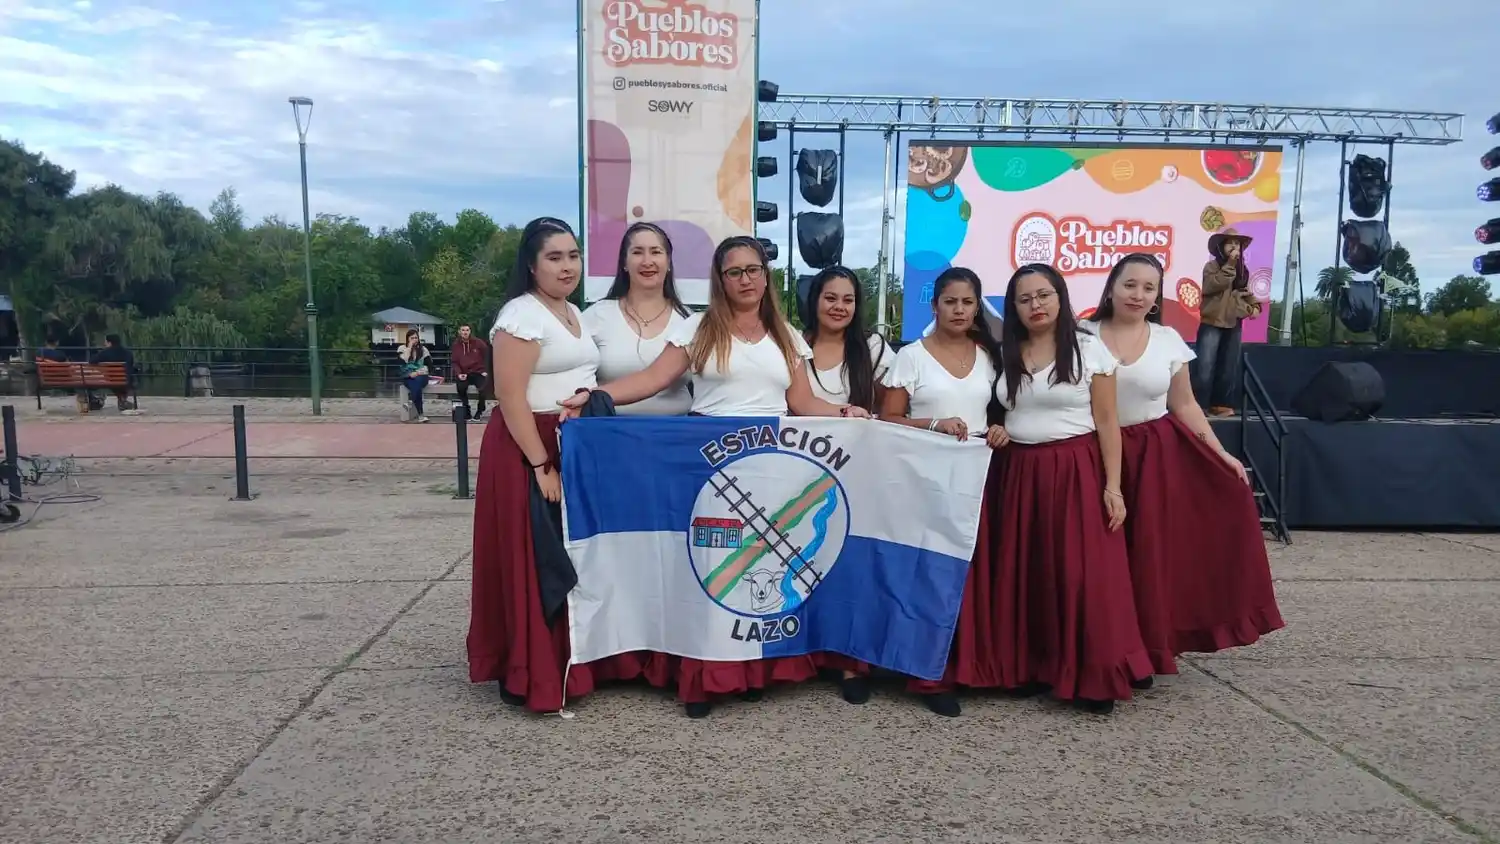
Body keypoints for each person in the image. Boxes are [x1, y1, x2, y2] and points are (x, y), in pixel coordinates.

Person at [561, 235, 871, 718]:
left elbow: (803, 403)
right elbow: (652, 380)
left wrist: (844, 411)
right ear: (720, 279)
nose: (745, 279)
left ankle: (756, 669)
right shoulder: (698, 330)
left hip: (773, 469)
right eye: (734, 272)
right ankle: (704, 676)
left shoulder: (785, 334)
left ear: (765, 276)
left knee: (762, 570)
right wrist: (595, 395)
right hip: (711, 463)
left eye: (753, 270)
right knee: (713, 568)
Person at [1083, 253, 1283, 678]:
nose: (1138, 295)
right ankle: (1100, 648)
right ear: (1111, 287)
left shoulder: (1168, 339)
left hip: (1154, 458)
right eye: (1130, 284)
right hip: (1091, 455)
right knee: (1099, 557)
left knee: (1147, 558)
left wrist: (1222, 454)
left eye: (1149, 287)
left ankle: (1145, 652)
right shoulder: (1081, 335)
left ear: (1158, 295)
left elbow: (1185, 404)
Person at [469, 216, 623, 714]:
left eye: (573, 255)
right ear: (532, 266)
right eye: (554, 257)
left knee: (566, 551)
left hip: (569, 442)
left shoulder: (573, 313)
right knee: (533, 555)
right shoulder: (521, 314)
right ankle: (529, 669)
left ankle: (567, 658)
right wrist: (539, 464)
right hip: (527, 445)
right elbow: (509, 395)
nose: (567, 266)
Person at [991, 263, 1152, 715]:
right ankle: (1031, 668)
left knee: (1080, 574)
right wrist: (998, 430)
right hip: (1020, 472)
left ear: (1060, 298)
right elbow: (1005, 413)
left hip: (1074, 469)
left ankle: (1092, 677)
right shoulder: (1008, 352)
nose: (1035, 305)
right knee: (1028, 571)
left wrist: (1113, 488)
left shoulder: (1089, 350)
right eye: (1025, 299)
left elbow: (1107, 423)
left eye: (1043, 295)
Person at [876, 266, 1007, 717]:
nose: (958, 310)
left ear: (976, 308)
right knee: (931, 574)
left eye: (967, 302)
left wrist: (996, 430)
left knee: (972, 575)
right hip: (925, 482)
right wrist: (933, 424)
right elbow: (887, 420)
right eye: (950, 301)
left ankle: (970, 666)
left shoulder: (989, 356)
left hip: (976, 479)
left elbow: (994, 413)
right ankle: (927, 675)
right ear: (934, 306)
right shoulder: (911, 357)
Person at [579, 222, 693, 416]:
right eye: (638, 252)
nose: (647, 261)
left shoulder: (689, 321)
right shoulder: (596, 316)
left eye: (656, 252)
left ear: (668, 262)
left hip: (676, 437)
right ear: (624, 263)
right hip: (611, 436)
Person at [1195, 228, 1262, 418]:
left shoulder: (1242, 271)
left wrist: (1255, 306)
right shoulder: (1212, 267)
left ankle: (1220, 405)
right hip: (1212, 322)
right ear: (1221, 247)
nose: (1234, 247)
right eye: (1230, 243)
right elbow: (1212, 286)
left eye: (1237, 244)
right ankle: (1197, 405)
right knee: (1204, 366)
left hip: (1233, 322)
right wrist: (1231, 264)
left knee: (1228, 366)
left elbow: (1244, 292)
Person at [449, 325, 490, 422]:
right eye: (463, 330)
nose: (465, 332)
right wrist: (459, 373)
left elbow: (488, 356)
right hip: (464, 372)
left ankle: (480, 410)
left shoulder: (479, 343)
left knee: (483, 387)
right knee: (461, 387)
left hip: (478, 372)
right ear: (459, 332)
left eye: (467, 330)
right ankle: (466, 410)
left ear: (470, 331)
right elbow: (454, 361)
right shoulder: (456, 345)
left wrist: (485, 370)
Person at [88, 334, 135, 412]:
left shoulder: (105, 352)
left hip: (111, 379)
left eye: (105, 342)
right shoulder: (128, 353)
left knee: (106, 379)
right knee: (121, 381)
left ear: (110, 343)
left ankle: (99, 399)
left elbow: (91, 361)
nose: (104, 344)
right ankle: (122, 400)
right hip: (126, 380)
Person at [397, 330, 433, 423]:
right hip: (407, 375)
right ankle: (420, 415)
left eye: (416, 338)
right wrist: (409, 348)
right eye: (412, 338)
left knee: (416, 383)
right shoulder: (402, 348)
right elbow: (402, 362)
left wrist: (417, 372)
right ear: (407, 339)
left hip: (421, 375)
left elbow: (429, 366)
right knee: (415, 385)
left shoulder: (423, 349)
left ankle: (411, 402)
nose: (414, 340)